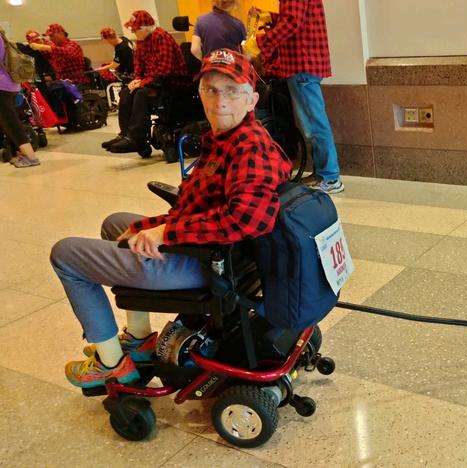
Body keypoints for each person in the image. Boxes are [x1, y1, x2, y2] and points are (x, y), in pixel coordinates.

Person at [51, 49, 293, 388]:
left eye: (232, 90)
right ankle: (138, 339)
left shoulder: (249, 147)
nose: (220, 100)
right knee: (116, 222)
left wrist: (166, 232)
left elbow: (246, 219)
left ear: (251, 99)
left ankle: (111, 364)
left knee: (65, 254)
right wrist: (155, 227)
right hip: (215, 254)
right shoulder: (226, 138)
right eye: (211, 89)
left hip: (208, 264)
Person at [250, 0, 344, 194]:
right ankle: (323, 174)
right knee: (313, 124)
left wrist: (259, 44)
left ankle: (330, 177)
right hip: (303, 63)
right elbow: (293, 18)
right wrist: (270, 16)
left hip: (302, 63)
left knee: (314, 125)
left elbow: (292, 21)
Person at [104, 10, 188, 154]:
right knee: (126, 92)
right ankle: (126, 134)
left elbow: (164, 71)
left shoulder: (162, 37)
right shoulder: (142, 41)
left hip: (172, 82)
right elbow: (138, 64)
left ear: (145, 28)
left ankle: (136, 138)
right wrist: (137, 79)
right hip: (154, 82)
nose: (133, 32)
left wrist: (142, 83)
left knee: (141, 94)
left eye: (135, 29)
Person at [0, 28, 40, 168]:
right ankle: (21, 152)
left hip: (2, 86)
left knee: (11, 122)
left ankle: (31, 157)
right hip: (9, 84)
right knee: (8, 122)